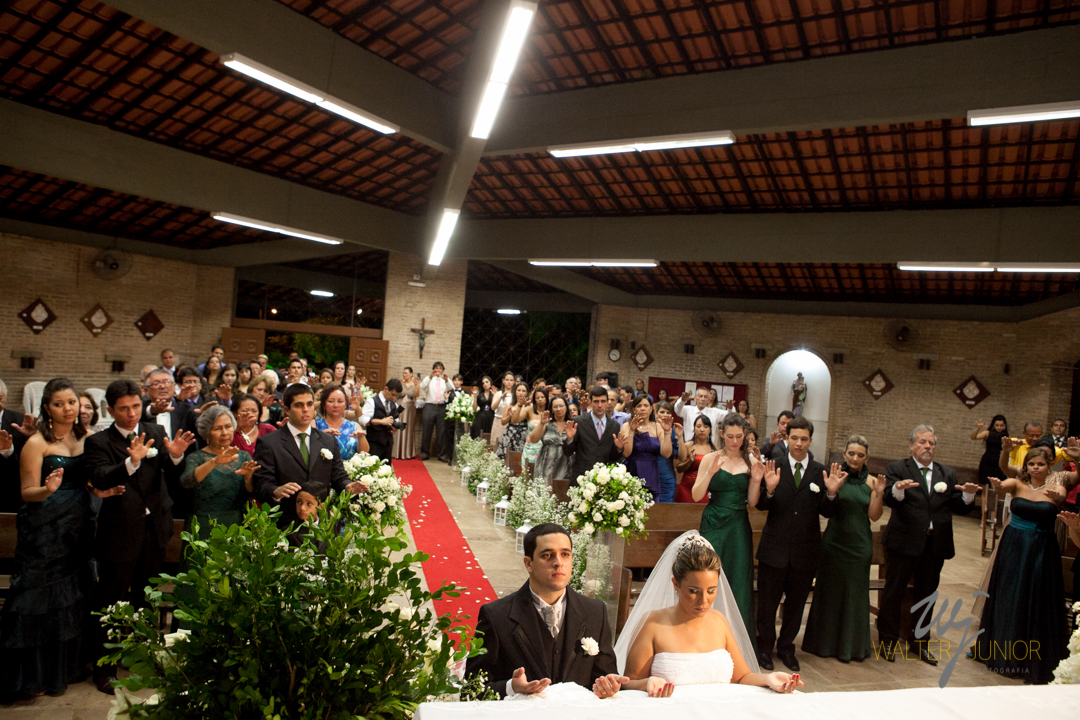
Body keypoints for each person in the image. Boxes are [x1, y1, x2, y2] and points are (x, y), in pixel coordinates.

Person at [0, 379, 120, 698]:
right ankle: (32, 676)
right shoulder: (36, 442)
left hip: (78, 523)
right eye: (59, 403)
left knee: (73, 594)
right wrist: (47, 489)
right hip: (44, 526)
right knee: (39, 597)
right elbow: (26, 492)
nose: (67, 408)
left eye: (72, 402)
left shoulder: (89, 439)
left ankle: (66, 668)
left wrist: (99, 490)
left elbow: (90, 481)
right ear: (47, 408)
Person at [85, 379, 195, 693]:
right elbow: (100, 476)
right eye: (124, 408)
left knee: (147, 598)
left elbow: (171, 474)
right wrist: (131, 461)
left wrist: (175, 457)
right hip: (119, 531)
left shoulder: (154, 431)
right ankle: (104, 667)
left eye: (135, 406)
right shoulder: (99, 441)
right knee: (111, 600)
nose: (132, 413)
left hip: (154, 528)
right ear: (110, 410)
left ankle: (141, 657)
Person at [615, 533, 804, 695]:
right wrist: (647, 683)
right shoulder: (653, 624)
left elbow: (742, 677)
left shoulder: (718, 620)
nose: (703, 600)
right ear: (676, 584)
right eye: (694, 591)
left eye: (711, 590)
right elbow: (628, 684)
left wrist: (768, 679)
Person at [465, 523, 626, 699]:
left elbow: (605, 676)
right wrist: (511, 687)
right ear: (529, 564)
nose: (558, 563)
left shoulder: (595, 612)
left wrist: (608, 686)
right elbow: (470, 691)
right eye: (547, 555)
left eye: (565, 554)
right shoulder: (496, 616)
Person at [877, 424, 979, 665]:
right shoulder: (897, 468)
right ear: (912, 445)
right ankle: (887, 642)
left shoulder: (947, 473)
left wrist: (968, 495)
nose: (927, 446)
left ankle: (920, 643)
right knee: (893, 592)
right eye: (922, 442)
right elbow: (891, 499)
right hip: (904, 542)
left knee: (927, 595)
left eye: (931, 443)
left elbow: (959, 506)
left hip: (935, 545)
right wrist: (898, 489)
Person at [975, 449, 1072, 683]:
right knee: (1009, 594)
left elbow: (1060, 496)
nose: (1035, 467)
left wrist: (1057, 496)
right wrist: (999, 485)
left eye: (1040, 464)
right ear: (1026, 466)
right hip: (1014, 547)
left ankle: (1031, 656)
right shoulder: (1017, 483)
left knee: (1036, 597)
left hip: (1041, 549)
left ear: (1049, 466)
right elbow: (1004, 485)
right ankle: (1004, 651)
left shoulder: (1057, 487)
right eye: (1031, 464)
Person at [754, 416, 842, 672]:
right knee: (768, 604)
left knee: (795, 604)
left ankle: (786, 647)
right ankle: (764, 647)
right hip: (775, 548)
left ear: (810, 440)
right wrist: (770, 490)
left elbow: (827, 511)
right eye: (794, 438)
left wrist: (832, 493)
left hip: (805, 550)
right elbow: (761, 505)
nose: (799, 443)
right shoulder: (775, 466)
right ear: (786, 438)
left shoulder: (820, 471)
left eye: (804, 439)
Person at [802, 436, 886, 662]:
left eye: (860, 455)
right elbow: (824, 508)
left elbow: (874, 516)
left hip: (859, 546)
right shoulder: (834, 476)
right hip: (834, 544)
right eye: (851, 454)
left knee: (854, 595)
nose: (855, 458)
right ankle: (823, 644)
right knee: (829, 592)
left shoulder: (872, 482)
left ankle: (851, 647)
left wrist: (879, 493)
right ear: (844, 454)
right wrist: (832, 489)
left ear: (867, 457)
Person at [251, 384, 368, 529]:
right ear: (287, 409)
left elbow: (338, 475)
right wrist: (275, 491)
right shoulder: (269, 443)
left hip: (320, 524)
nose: (305, 409)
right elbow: (261, 484)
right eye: (298, 405)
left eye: (309, 404)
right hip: (284, 523)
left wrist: (348, 486)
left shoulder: (327, 440)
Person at [691, 414, 760, 649]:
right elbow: (696, 495)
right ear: (721, 434)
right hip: (713, 524)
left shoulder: (750, 461)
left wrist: (757, 480)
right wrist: (710, 473)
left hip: (738, 526)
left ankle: (736, 643)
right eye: (730, 436)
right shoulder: (710, 458)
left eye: (739, 436)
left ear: (745, 434)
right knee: (708, 577)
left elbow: (752, 502)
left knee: (738, 579)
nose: (735, 441)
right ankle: (703, 639)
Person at [180, 405, 258, 546]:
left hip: (235, 524)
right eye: (217, 428)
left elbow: (251, 491)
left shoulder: (243, 456)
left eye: (228, 426)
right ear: (207, 432)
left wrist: (248, 477)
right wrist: (214, 461)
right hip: (203, 525)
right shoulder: (196, 457)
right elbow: (186, 482)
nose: (224, 433)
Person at [562, 386, 624, 485]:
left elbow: (613, 457)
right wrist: (570, 440)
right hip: (581, 479)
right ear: (590, 402)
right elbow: (567, 452)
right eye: (596, 401)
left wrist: (619, 449)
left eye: (603, 401)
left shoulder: (614, 425)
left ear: (607, 402)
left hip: (604, 481)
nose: (599, 405)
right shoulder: (578, 422)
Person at [619, 396, 672, 502]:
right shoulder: (626, 426)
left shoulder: (658, 426)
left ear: (651, 409)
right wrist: (632, 430)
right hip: (633, 470)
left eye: (646, 405)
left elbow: (666, 454)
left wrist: (667, 432)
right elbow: (626, 453)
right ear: (634, 409)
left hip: (651, 472)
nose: (643, 408)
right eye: (639, 406)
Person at [315, 384, 368, 461]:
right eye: (331, 401)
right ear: (323, 404)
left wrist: (361, 437)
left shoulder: (354, 426)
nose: (336, 405)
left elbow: (364, 453)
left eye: (340, 401)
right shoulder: (314, 424)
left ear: (345, 404)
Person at [531, 396, 573, 482]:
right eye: (555, 406)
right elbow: (533, 440)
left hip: (566, 465)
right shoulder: (547, 424)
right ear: (551, 409)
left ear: (566, 407)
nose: (558, 409)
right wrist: (541, 423)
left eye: (561, 406)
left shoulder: (572, 424)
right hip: (546, 465)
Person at [360, 379, 403, 463]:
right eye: (392, 394)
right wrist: (381, 421)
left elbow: (396, 419)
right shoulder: (372, 401)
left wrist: (395, 428)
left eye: (396, 396)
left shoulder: (394, 404)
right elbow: (362, 419)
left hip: (388, 443)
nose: (394, 398)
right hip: (374, 442)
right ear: (386, 388)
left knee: (386, 468)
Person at [675, 416, 714, 504]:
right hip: (686, 489)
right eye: (699, 426)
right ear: (694, 428)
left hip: (705, 490)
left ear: (710, 430)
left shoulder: (714, 448)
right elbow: (679, 468)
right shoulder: (688, 446)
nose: (702, 430)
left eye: (705, 427)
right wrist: (690, 461)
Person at [418, 362, 451, 463]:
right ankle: (424, 454)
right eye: (436, 368)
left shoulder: (445, 379)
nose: (438, 370)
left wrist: (446, 380)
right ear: (433, 370)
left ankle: (442, 455)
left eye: (440, 368)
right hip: (430, 406)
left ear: (443, 370)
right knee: (427, 430)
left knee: (441, 432)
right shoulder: (429, 379)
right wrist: (430, 377)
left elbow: (452, 389)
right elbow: (422, 387)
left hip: (442, 407)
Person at [496, 382, 531, 459]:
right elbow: (503, 422)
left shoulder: (529, 406)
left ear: (527, 393)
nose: (521, 393)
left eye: (523, 391)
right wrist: (509, 416)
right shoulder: (509, 405)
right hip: (510, 433)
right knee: (505, 458)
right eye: (519, 390)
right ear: (515, 391)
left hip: (523, 434)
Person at [654, 401, 680, 503]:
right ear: (655, 413)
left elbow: (680, 455)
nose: (665, 415)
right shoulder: (649, 428)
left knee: (667, 507)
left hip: (667, 473)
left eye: (668, 412)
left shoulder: (673, 430)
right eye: (662, 412)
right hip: (650, 472)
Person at [971, 415, 1008, 485]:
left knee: (999, 485)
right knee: (985, 484)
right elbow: (973, 437)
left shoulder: (1006, 436)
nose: (999, 427)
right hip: (987, 461)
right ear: (993, 425)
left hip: (1000, 462)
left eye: (1001, 425)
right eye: (997, 425)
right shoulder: (987, 433)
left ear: (1004, 425)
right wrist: (978, 428)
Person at [392, 367, 418, 460]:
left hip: (410, 408)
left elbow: (417, 395)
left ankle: (407, 452)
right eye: (403, 373)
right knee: (398, 425)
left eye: (406, 373)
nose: (404, 375)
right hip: (400, 406)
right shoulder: (400, 383)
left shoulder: (415, 384)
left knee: (408, 428)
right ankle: (397, 452)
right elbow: (395, 394)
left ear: (411, 374)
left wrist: (416, 385)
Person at [521, 387, 549, 467]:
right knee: (528, 471)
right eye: (537, 397)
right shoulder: (529, 409)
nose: (540, 399)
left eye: (542, 397)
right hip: (531, 447)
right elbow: (515, 420)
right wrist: (520, 406)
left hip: (546, 447)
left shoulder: (552, 412)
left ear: (547, 398)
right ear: (534, 399)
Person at [489, 371, 517, 450]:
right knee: (495, 446)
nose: (509, 382)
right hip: (498, 421)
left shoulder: (515, 395)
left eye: (511, 380)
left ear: (514, 382)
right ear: (503, 381)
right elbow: (493, 407)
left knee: (509, 447)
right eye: (507, 380)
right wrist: (501, 397)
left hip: (511, 422)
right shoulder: (498, 393)